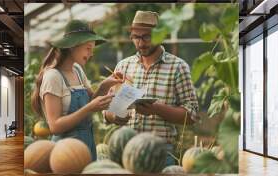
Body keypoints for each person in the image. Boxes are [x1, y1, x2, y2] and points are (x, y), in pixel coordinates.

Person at [104, 11, 199, 165]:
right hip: (127, 151)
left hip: (160, 153)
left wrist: (157, 109)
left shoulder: (178, 67)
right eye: (136, 37)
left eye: (146, 36)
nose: (140, 43)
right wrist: (115, 116)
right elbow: (106, 109)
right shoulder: (123, 66)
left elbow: (192, 115)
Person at [31, 20, 123, 161]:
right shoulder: (53, 77)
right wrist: (88, 109)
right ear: (72, 46)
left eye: (92, 49)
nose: (91, 53)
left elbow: (91, 102)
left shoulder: (78, 70)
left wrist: (105, 85)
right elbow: (55, 126)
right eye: (88, 48)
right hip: (65, 152)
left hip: (87, 146)